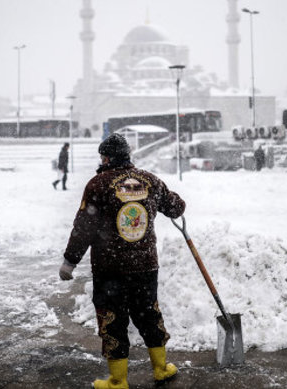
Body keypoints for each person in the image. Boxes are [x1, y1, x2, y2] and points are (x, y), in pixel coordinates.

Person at [59, 133, 185, 388]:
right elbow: (176, 206)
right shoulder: (149, 180)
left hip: (110, 268)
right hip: (145, 265)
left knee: (112, 320)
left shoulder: (98, 184)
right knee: (149, 314)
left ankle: (118, 380)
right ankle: (161, 368)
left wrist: (70, 261)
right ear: (127, 156)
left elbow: (84, 227)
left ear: (106, 157)